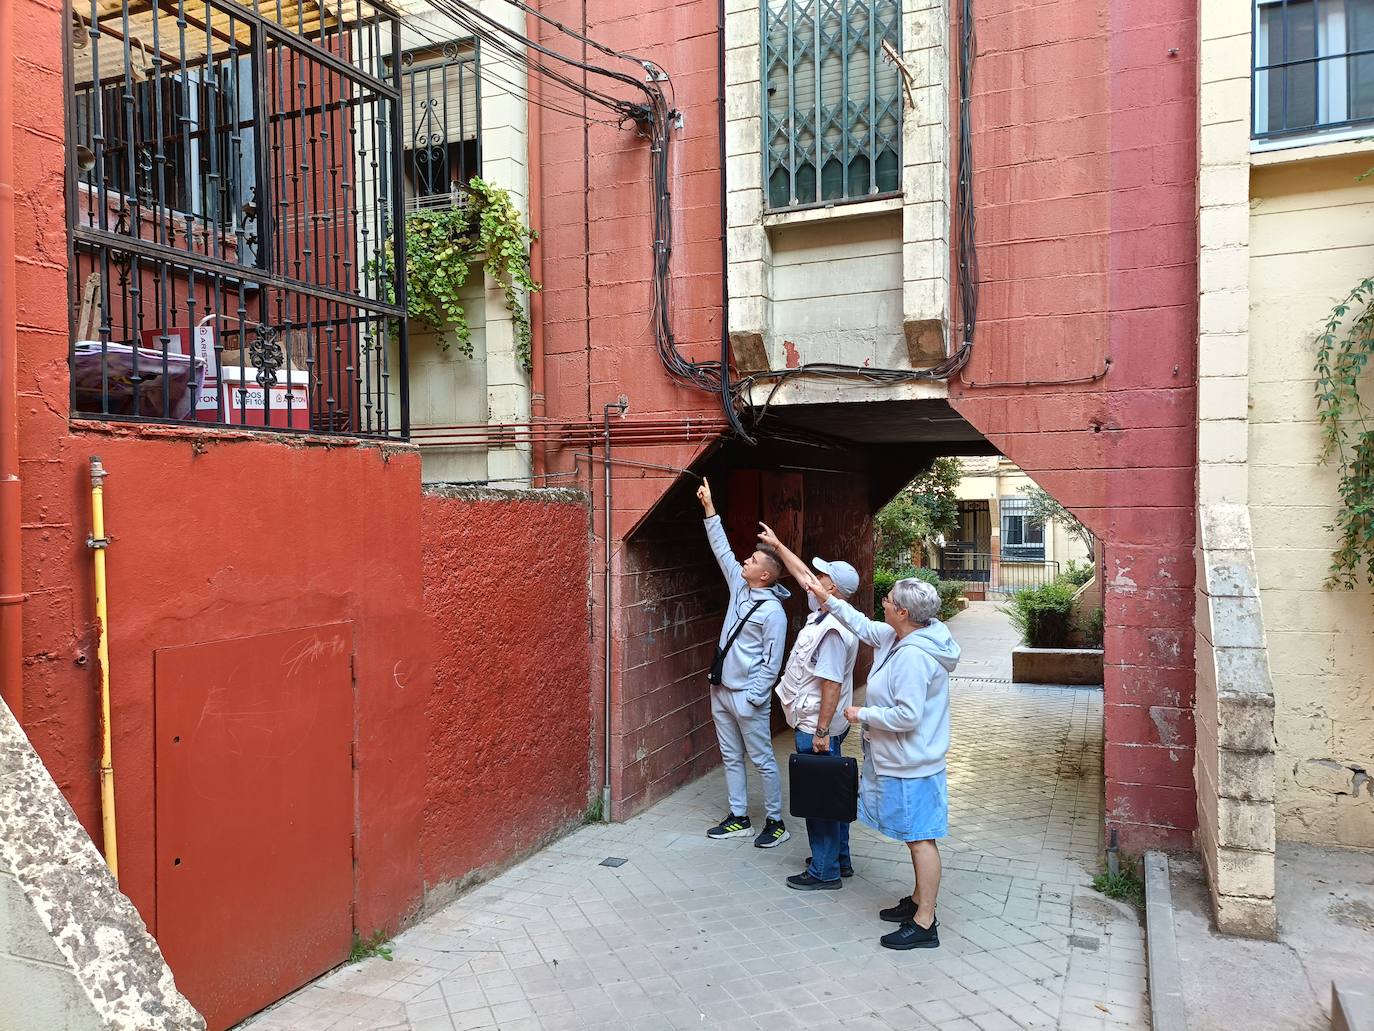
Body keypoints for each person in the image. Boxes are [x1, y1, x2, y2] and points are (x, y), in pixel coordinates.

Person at [801, 572, 959, 950]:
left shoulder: (915, 658)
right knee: (913, 836)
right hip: (904, 761)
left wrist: (862, 714)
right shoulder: (899, 636)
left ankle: (925, 923)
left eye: (888, 599)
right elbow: (858, 622)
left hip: (911, 765)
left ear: (903, 612)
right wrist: (826, 597)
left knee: (921, 839)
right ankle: (919, 900)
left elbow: (907, 716)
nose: (883, 602)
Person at [757, 523, 860, 890]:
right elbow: (802, 575)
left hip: (817, 725)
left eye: (822, 575)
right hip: (824, 722)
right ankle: (838, 860)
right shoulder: (830, 612)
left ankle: (824, 870)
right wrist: (779, 545)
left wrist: (819, 732)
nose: (813, 577)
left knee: (819, 799)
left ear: (832, 588)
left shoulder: (832, 629)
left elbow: (831, 685)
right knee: (831, 791)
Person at [696, 478, 791, 849]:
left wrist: (753, 696)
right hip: (720, 689)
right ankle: (739, 817)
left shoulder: (773, 614)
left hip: (746, 697)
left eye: (751, 561)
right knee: (731, 757)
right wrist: (709, 507)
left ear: (764, 575)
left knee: (763, 759)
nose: (744, 562)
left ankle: (775, 821)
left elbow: (772, 662)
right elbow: (720, 549)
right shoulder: (739, 586)